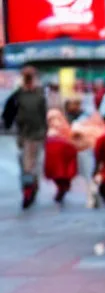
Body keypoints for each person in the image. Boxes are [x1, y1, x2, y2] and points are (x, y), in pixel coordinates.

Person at [13, 66, 48, 209]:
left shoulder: (39, 95)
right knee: (26, 165)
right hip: (25, 135)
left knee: (30, 166)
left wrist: (45, 132)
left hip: (36, 135)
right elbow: (15, 115)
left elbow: (43, 115)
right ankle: (30, 188)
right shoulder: (19, 94)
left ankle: (29, 189)